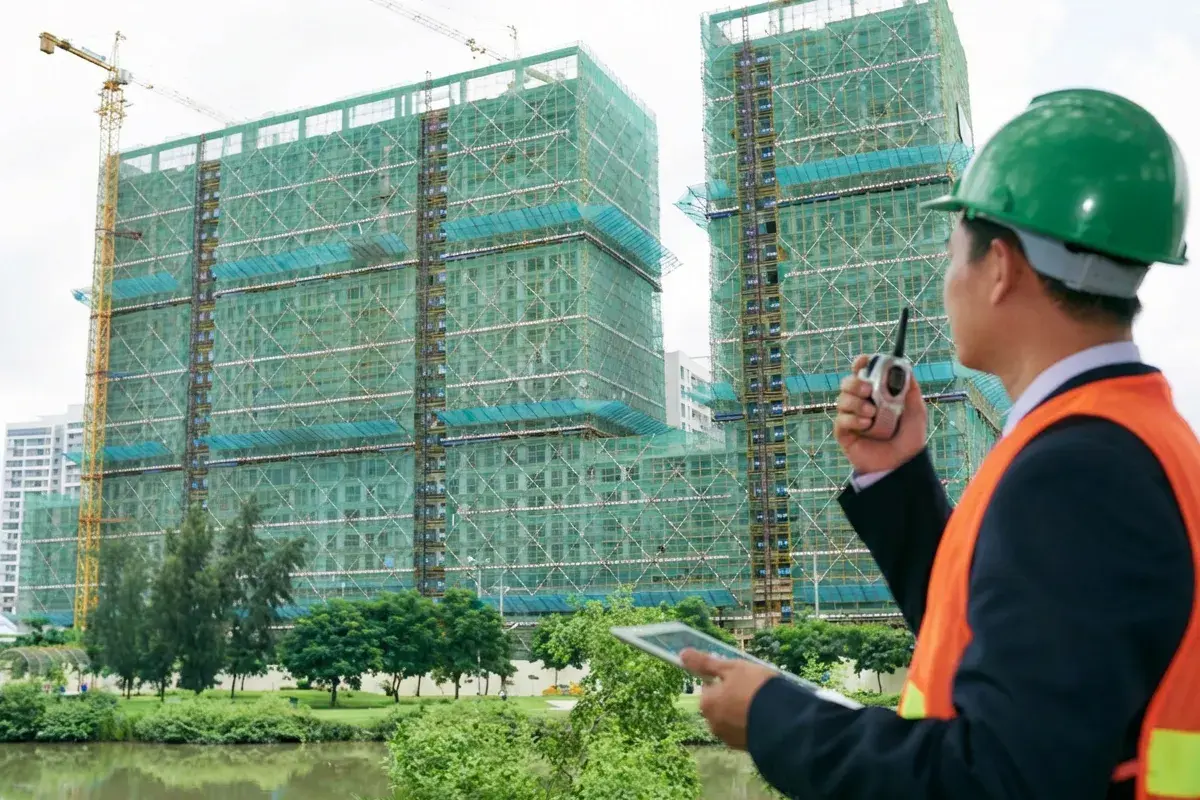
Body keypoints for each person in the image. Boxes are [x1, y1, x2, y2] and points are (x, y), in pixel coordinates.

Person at [682, 88, 1197, 800]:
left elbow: (1000, 778)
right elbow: (1002, 647)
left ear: (1002, 268)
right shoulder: (1122, 435)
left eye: (952, 251)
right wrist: (896, 474)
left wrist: (776, 717)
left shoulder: (1078, 470)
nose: (947, 277)